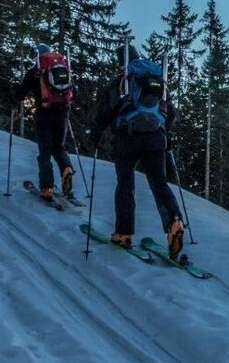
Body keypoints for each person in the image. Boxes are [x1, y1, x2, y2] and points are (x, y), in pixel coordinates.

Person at [91, 44, 185, 257]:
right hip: (156, 139)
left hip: (128, 138)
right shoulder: (157, 81)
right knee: (159, 184)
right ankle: (174, 222)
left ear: (121, 62)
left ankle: (123, 233)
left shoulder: (122, 82)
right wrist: (161, 131)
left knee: (126, 185)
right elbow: (171, 114)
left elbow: (105, 113)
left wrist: (96, 135)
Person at [12, 43, 76, 202]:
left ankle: (47, 187)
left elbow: (21, 93)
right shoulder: (62, 68)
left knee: (45, 152)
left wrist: (15, 97)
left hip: (44, 113)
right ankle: (67, 169)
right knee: (59, 148)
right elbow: (74, 93)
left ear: (36, 56)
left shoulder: (36, 71)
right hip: (62, 113)